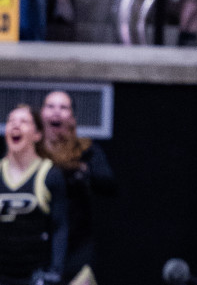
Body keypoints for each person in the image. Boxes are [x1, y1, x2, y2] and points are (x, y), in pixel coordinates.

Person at [40, 90, 117, 285]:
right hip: (38, 243)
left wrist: (81, 170)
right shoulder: (31, 152)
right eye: (50, 106)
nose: (56, 112)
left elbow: (109, 185)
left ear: (72, 117)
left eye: (63, 107)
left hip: (77, 243)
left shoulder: (86, 150)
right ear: (41, 114)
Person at [0, 104, 67, 285]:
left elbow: (60, 226)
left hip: (35, 274)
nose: (15, 125)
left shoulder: (50, 174)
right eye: (11, 121)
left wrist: (56, 269)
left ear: (37, 134)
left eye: (23, 122)